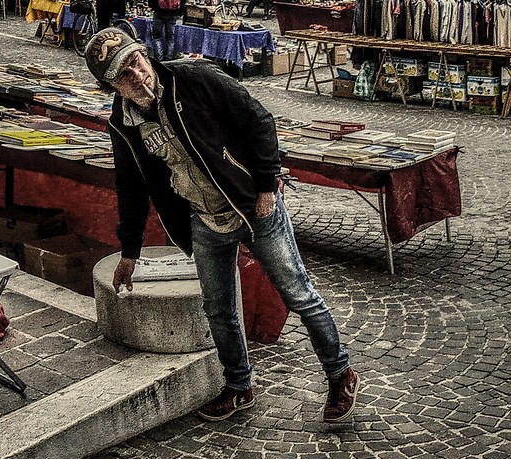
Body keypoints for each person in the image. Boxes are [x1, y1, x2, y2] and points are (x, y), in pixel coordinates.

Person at [87, 29, 358, 423]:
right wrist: (130, 251)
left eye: (138, 61)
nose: (139, 74)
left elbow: (259, 121)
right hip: (204, 217)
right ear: (111, 85)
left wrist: (266, 187)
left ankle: (340, 373)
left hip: (254, 207)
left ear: (146, 54)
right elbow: (130, 185)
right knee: (218, 309)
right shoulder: (122, 122)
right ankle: (238, 386)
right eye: (125, 73)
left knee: (299, 295)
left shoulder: (194, 78)